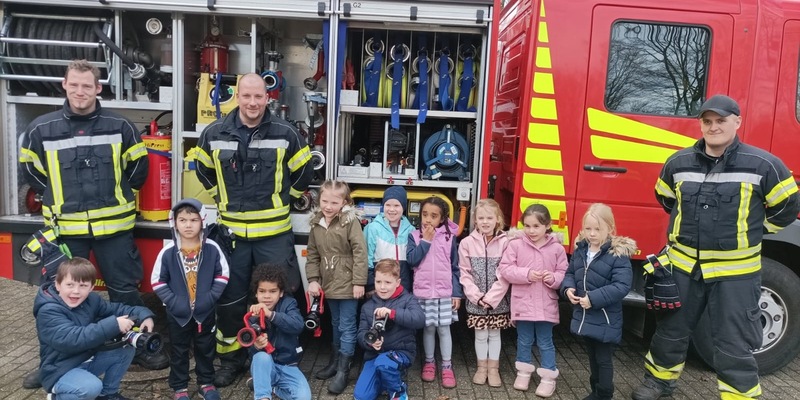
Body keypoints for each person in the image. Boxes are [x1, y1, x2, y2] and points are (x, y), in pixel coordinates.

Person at [631, 94, 800, 400]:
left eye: (721, 121)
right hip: (683, 269)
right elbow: (667, 198)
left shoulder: (764, 165)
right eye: (707, 121)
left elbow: (787, 207)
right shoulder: (678, 162)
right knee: (670, 332)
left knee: (733, 341)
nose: (713, 127)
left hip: (736, 275)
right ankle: (658, 383)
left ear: (737, 122)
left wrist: (756, 231)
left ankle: (740, 395)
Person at [18, 59, 167, 383]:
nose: (81, 91)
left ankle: (138, 348)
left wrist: (119, 194)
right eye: (75, 85)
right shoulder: (41, 129)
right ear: (65, 85)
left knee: (125, 291)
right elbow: (30, 171)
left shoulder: (120, 126)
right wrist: (56, 194)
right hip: (67, 232)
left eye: (88, 86)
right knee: (59, 297)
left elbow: (138, 169)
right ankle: (53, 365)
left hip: (114, 229)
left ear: (98, 88)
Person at [194, 73, 313, 386]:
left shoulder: (286, 132)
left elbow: (304, 173)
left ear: (267, 98)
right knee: (230, 301)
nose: (252, 103)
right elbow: (203, 171)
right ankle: (231, 361)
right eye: (246, 96)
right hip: (232, 237)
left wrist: (285, 200)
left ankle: (277, 358)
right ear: (237, 97)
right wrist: (222, 197)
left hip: (273, 236)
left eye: (258, 97)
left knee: (278, 300)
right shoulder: (213, 133)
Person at [34, 257, 156, 400]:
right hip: (59, 369)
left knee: (127, 346)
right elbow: (72, 339)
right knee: (91, 387)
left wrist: (144, 315)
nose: (76, 291)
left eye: (83, 286)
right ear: (58, 284)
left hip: (85, 359)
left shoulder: (91, 300)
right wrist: (114, 325)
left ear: (92, 287)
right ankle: (56, 397)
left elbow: (118, 308)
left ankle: (108, 394)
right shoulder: (48, 311)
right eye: (70, 285)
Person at [150, 199, 230, 400]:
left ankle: (206, 383)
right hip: (178, 314)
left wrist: (210, 298)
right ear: (174, 222)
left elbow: (223, 274)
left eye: (193, 220)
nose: (188, 225)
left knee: (206, 349)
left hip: (205, 312)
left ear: (202, 221)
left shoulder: (212, 248)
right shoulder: (168, 252)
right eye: (182, 220)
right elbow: (157, 281)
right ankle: (179, 388)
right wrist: (173, 302)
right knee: (179, 351)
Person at [562, 203, 634, 400]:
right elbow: (570, 273)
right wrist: (568, 289)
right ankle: (595, 391)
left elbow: (621, 286)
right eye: (588, 229)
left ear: (610, 229)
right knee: (593, 357)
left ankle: (604, 394)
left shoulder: (617, 255)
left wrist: (592, 299)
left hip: (605, 317)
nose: (592, 234)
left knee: (603, 359)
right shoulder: (581, 250)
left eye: (597, 229)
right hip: (586, 315)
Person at [305, 180, 369, 394]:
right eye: (325, 201)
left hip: (349, 282)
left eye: (334, 202)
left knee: (347, 325)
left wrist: (359, 281)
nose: (329, 206)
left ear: (344, 202)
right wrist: (313, 279)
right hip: (329, 281)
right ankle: (334, 362)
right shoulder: (316, 223)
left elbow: (360, 251)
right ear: (318, 200)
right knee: (334, 322)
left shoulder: (349, 222)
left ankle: (344, 370)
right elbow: (312, 254)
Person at [497, 204, 568, 396]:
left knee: (545, 341)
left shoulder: (556, 249)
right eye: (527, 226)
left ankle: (548, 376)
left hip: (545, 304)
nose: (531, 231)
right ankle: (523, 372)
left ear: (548, 225)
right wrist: (527, 274)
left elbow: (563, 273)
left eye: (536, 226)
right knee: (524, 339)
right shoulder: (516, 244)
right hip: (523, 303)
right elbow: (505, 269)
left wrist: (553, 278)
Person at [406, 196, 462, 388]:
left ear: (442, 218)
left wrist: (456, 293)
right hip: (423, 292)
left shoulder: (449, 238)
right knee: (428, 328)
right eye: (424, 214)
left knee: (444, 329)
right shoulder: (414, 236)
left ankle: (447, 365)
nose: (428, 219)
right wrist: (426, 242)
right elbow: (412, 261)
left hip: (445, 293)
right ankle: (429, 362)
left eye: (434, 216)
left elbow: (455, 267)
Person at [457, 199, 512, 387]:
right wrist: (477, 296)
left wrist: (492, 298)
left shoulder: (506, 242)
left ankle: (493, 369)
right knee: (480, 335)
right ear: (475, 220)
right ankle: (481, 368)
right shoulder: (466, 243)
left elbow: (505, 273)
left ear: (498, 219)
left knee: (495, 334)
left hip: (498, 300)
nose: (485, 222)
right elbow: (464, 273)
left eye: (490, 217)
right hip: (476, 300)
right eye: (481, 218)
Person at [354, 259, 425, 400]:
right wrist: (369, 343)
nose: (382, 287)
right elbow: (361, 333)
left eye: (387, 282)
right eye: (378, 282)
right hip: (374, 355)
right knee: (361, 396)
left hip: (401, 352)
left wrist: (392, 313)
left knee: (384, 364)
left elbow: (419, 319)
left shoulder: (408, 300)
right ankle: (386, 378)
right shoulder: (367, 306)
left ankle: (398, 392)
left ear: (398, 282)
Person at [246, 263, 312, 400]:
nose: (267, 296)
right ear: (256, 293)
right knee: (261, 357)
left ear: (281, 292)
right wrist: (256, 346)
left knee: (304, 397)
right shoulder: (252, 313)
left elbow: (298, 325)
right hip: (265, 366)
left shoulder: (289, 304)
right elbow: (250, 352)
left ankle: (269, 386)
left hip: (288, 366)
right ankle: (263, 396)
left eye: (272, 291)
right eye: (262, 291)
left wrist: (271, 315)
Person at [363, 186, 415, 294]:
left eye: (396, 205)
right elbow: (366, 258)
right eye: (388, 205)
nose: (391, 209)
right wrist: (371, 286)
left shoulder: (411, 230)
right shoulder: (372, 228)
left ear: (403, 207)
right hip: (379, 288)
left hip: (403, 287)